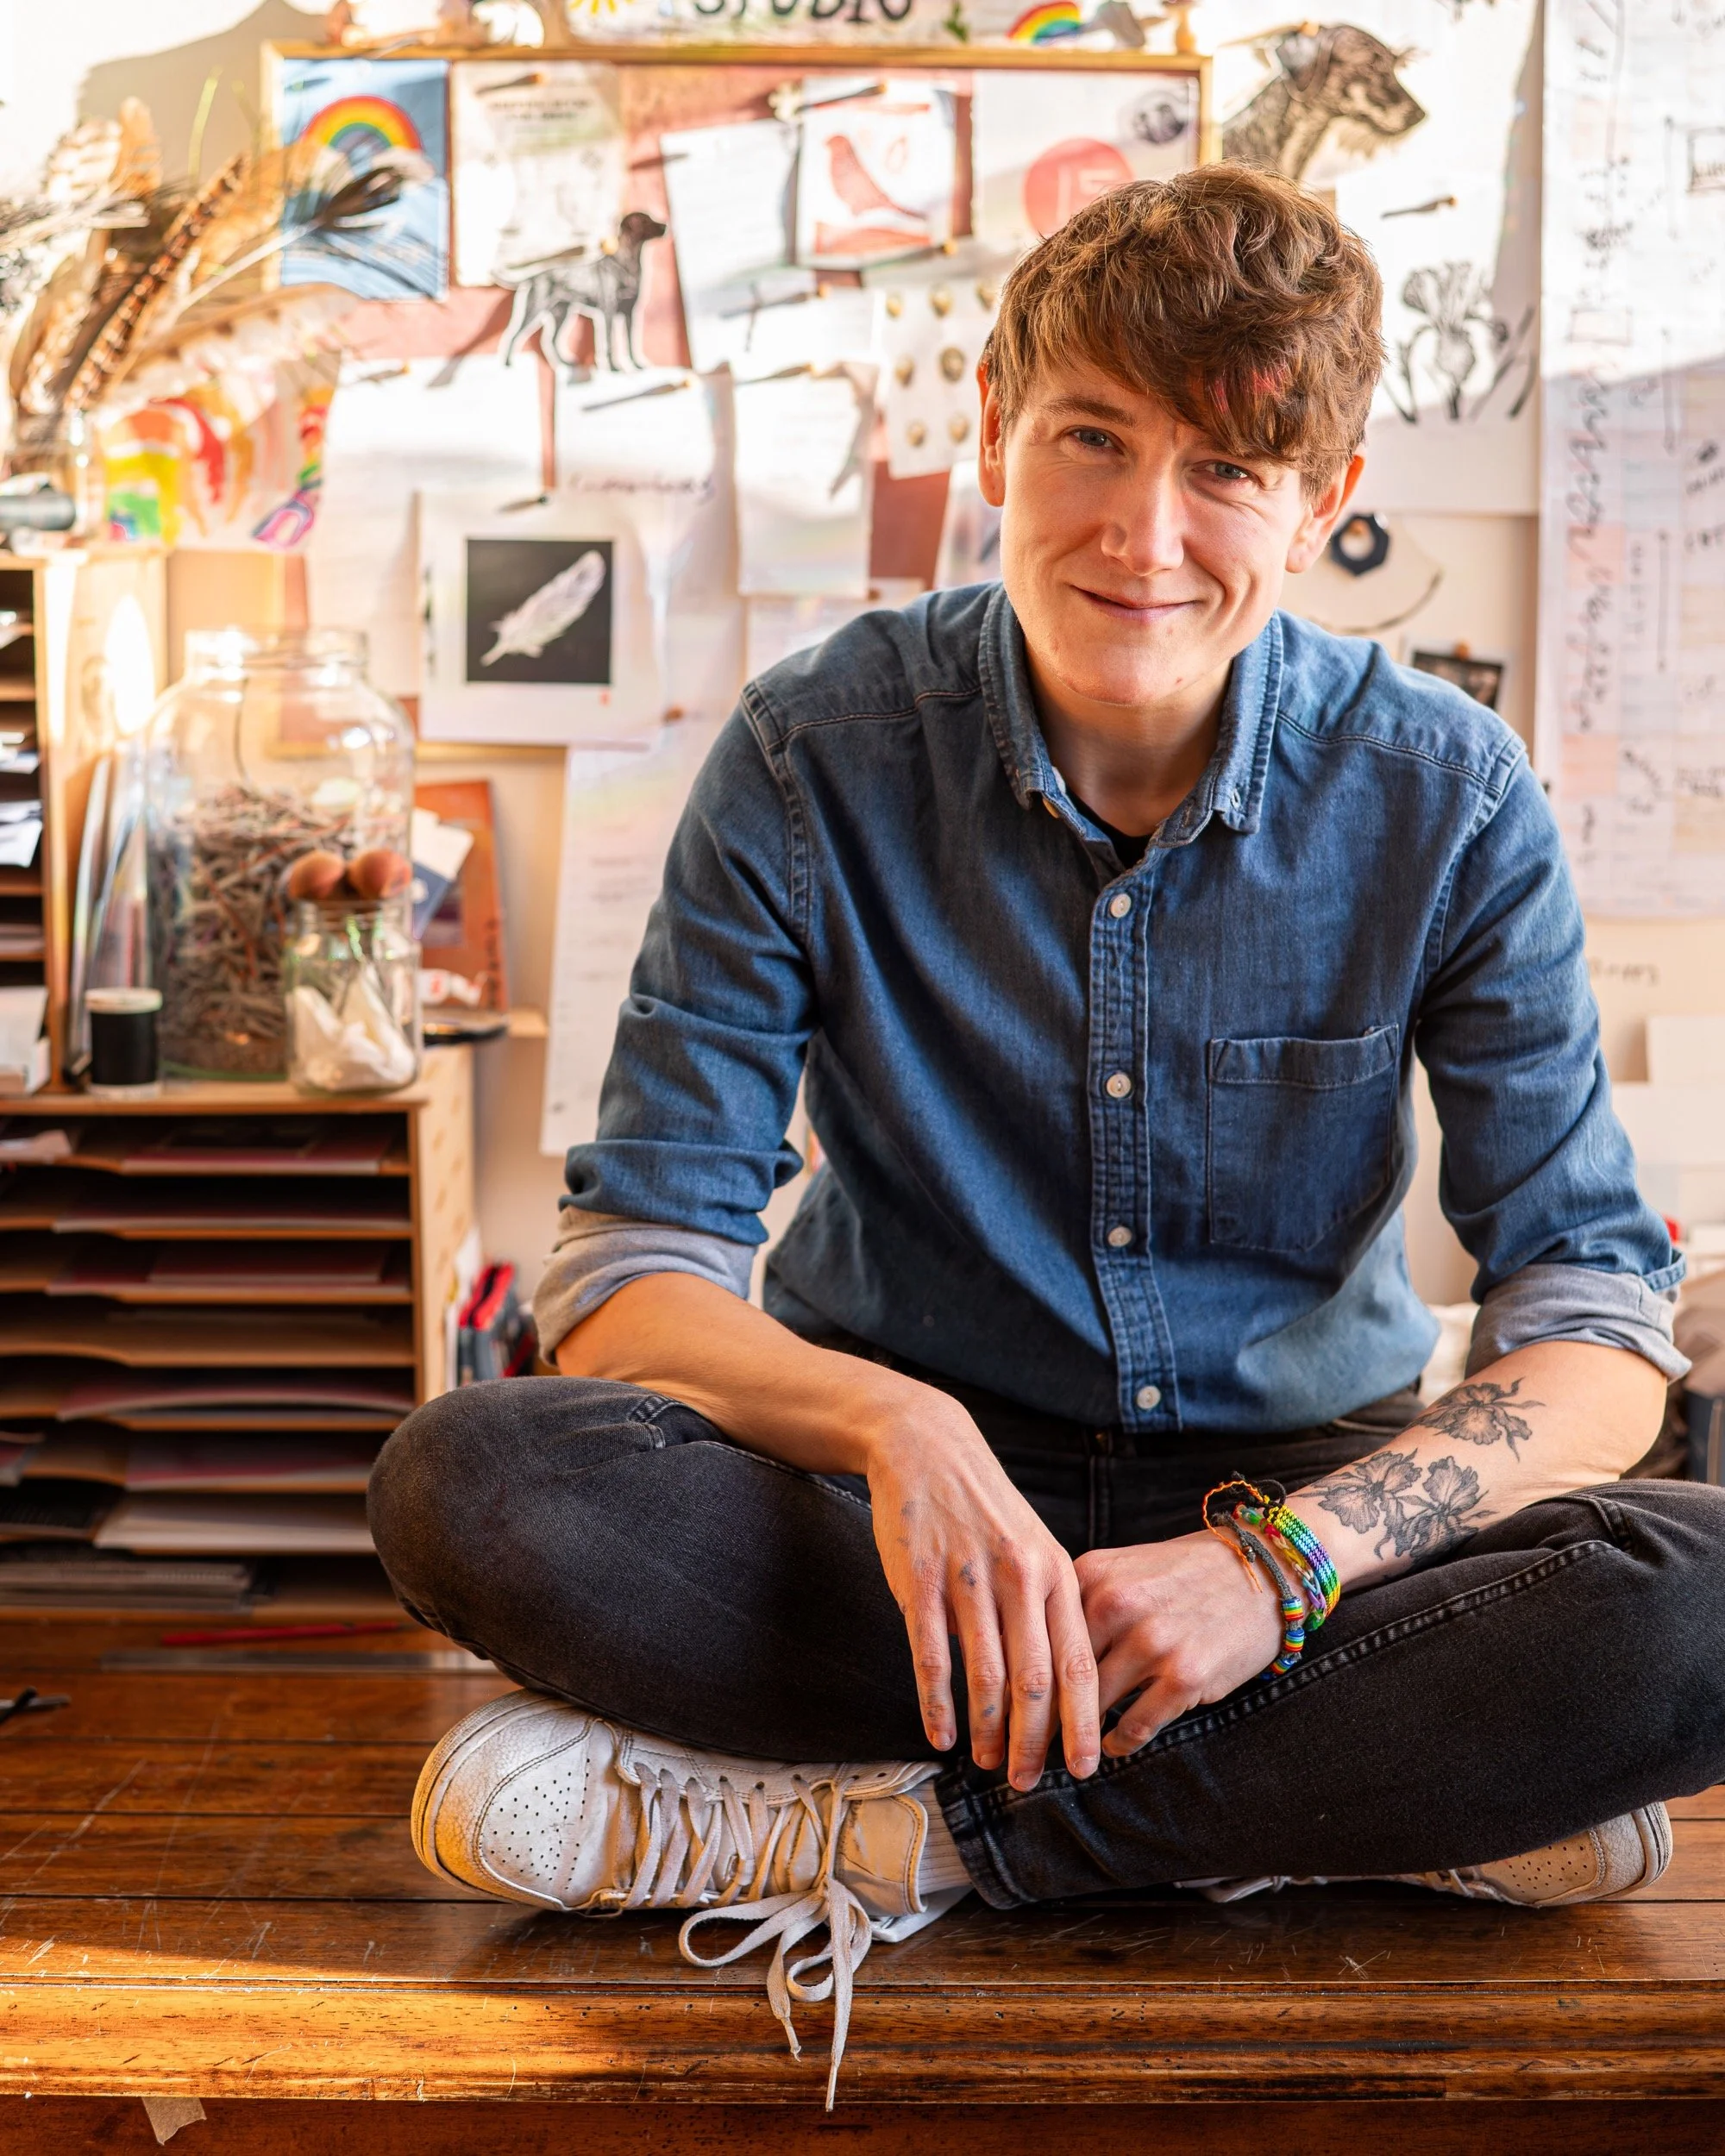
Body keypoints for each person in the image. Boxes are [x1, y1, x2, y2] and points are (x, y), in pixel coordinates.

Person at [370, 165, 1725, 2104]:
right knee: (474, 1481)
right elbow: (628, 1273)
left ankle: (898, 1835)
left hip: (1298, 1522)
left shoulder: (1447, 792)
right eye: (1091, 436)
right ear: (996, 413)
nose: (1141, 531)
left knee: (1700, 1598)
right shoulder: (806, 751)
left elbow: (1594, 1326)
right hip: (894, 1528)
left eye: (1226, 470)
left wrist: (1281, 1566)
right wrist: (892, 1426)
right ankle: (1360, 1793)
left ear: (1325, 495)